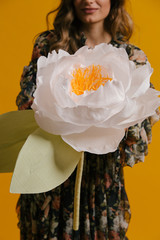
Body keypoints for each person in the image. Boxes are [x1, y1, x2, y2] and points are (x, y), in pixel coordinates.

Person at [15, 0, 159, 239]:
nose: (89, 0)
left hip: (100, 182)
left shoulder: (130, 57)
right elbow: (29, 105)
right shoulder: (50, 46)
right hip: (52, 176)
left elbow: (141, 122)